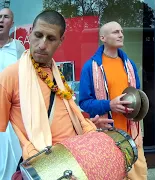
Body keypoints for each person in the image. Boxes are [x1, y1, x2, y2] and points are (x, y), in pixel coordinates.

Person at [0, 10, 113, 179]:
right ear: (30, 34)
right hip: (47, 166)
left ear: (61, 41)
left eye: (51, 38)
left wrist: (88, 124)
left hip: (76, 159)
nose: (42, 44)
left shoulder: (57, 73)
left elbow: (63, 115)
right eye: (38, 35)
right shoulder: (10, 76)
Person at [79, 21, 147, 179]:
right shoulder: (91, 67)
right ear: (103, 37)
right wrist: (109, 105)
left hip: (132, 135)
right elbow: (84, 103)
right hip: (107, 137)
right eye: (116, 32)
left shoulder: (129, 65)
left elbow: (136, 93)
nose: (121, 34)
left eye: (122, 31)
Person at [0, 8, 25, 180]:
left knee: (15, 156)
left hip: (13, 114)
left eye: (5, 17)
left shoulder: (18, 48)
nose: (0, 20)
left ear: (12, 23)